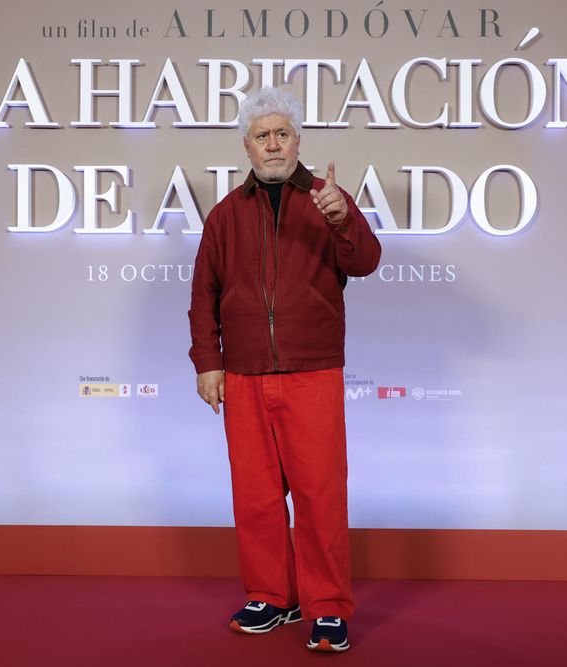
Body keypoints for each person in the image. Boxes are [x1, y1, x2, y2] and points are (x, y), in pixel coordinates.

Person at [188, 87, 381, 653]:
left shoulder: (328, 201)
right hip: (244, 375)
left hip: (312, 371)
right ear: (247, 147)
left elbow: (366, 261)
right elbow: (204, 297)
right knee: (256, 496)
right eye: (261, 135)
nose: (272, 144)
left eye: (282, 134)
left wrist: (343, 220)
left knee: (320, 494)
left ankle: (328, 607)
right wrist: (209, 363)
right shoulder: (225, 216)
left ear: (297, 141)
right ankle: (271, 596)